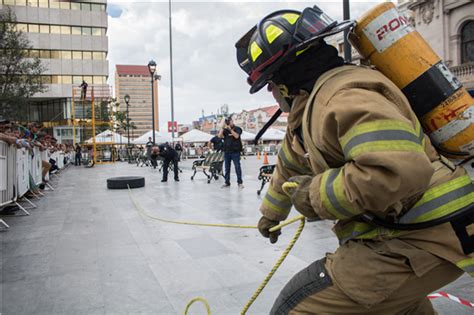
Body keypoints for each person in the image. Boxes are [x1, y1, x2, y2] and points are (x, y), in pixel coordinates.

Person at [235, 6, 474, 314]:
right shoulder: (309, 108)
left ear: (284, 80)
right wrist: (272, 214)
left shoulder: (344, 95)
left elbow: (397, 169)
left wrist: (312, 195)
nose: (270, 92)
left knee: (298, 306)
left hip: (426, 236)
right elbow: (290, 161)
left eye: (269, 84)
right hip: (411, 233)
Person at [218, 116, 244, 188]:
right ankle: (227, 182)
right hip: (227, 152)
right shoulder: (225, 130)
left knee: (237, 167)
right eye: (228, 122)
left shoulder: (238, 129)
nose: (229, 123)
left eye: (230, 121)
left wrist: (230, 130)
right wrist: (223, 127)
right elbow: (219, 136)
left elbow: (236, 136)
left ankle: (240, 182)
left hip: (235, 152)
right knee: (227, 168)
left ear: (232, 121)